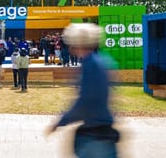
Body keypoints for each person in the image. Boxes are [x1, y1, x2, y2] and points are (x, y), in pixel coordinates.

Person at [45, 23, 119, 158]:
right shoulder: (100, 61)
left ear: (78, 43)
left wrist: (61, 121)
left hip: (94, 138)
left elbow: (85, 101)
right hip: (101, 132)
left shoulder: (90, 66)